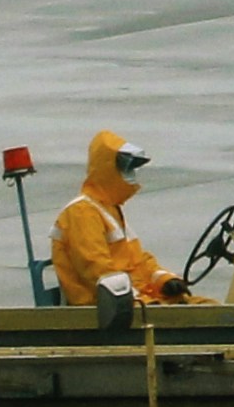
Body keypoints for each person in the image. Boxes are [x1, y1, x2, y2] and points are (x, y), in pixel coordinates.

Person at [47, 130, 185, 303]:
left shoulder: (109, 209)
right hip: (104, 309)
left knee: (202, 306)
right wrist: (139, 300)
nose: (131, 175)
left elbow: (137, 260)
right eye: (126, 168)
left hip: (127, 302)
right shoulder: (82, 213)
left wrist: (165, 280)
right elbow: (97, 270)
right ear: (109, 168)